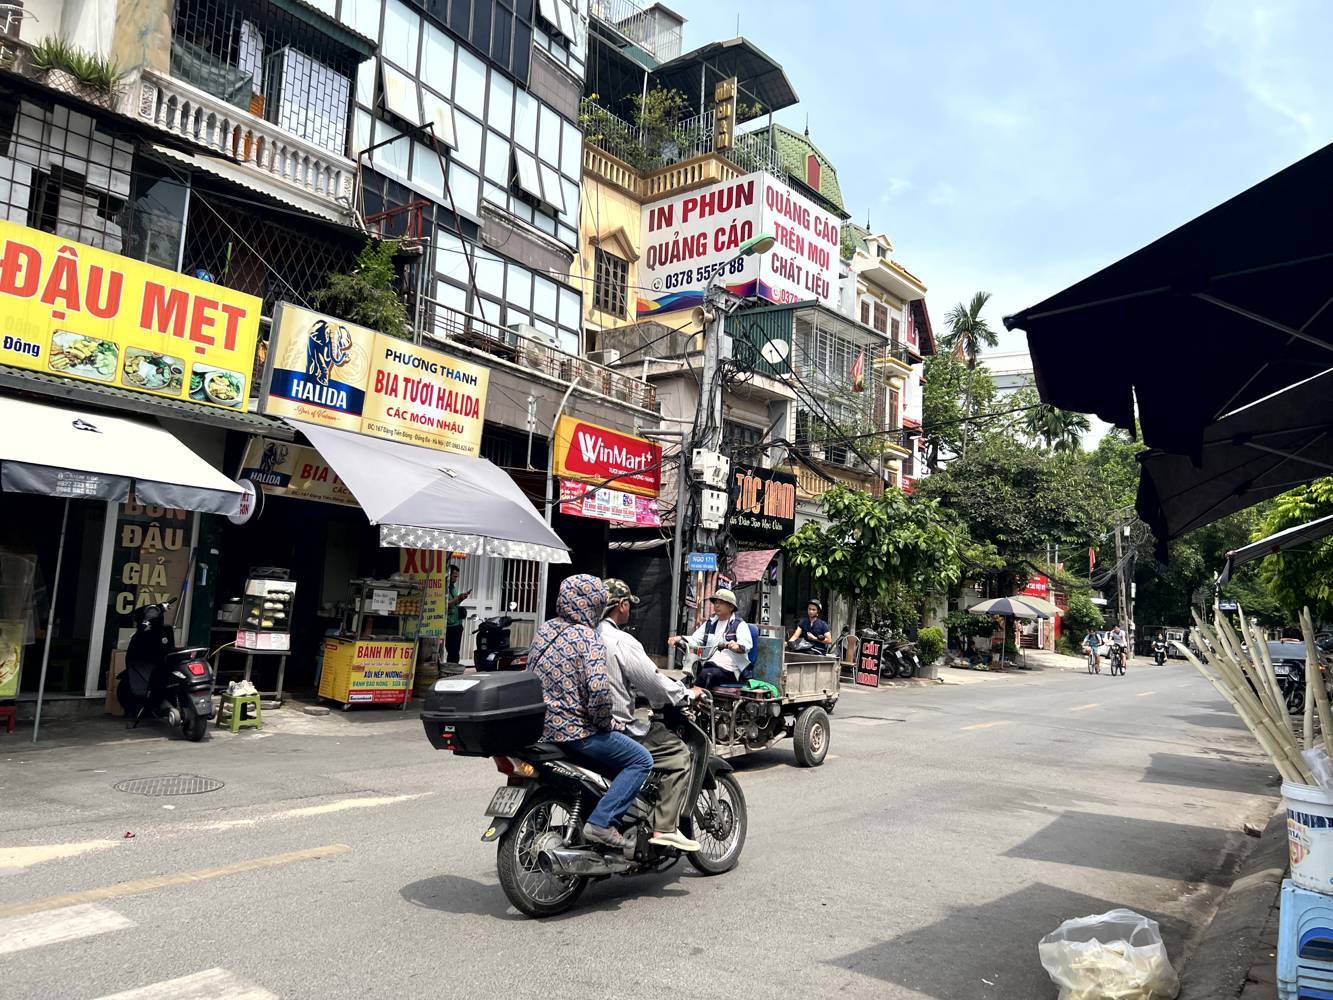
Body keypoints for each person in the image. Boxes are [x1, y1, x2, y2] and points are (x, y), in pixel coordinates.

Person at [529, 575, 652, 850]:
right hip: (576, 733)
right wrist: (607, 724)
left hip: (540, 729)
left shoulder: (545, 631)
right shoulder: (589, 639)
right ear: (595, 604)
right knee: (641, 760)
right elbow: (598, 692)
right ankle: (602, 822)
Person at [598, 579, 702, 853]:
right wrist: (685, 694)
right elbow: (653, 683)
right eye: (629, 605)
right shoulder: (621, 641)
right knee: (679, 755)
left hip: (584, 727)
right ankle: (665, 827)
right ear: (621, 605)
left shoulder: (583, 636)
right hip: (616, 728)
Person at [667, 588, 753, 688]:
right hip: (710, 665)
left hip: (732, 670)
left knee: (706, 675)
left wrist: (737, 646)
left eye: (721, 602)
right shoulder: (710, 623)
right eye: (715, 602)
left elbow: (746, 645)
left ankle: (695, 698)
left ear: (731, 606)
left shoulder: (739, 624)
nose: (716, 605)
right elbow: (695, 639)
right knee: (687, 680)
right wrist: (679, 638)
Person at [444, 565, 470, 664]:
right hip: (449, 625)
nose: (455, 579)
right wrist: (457, 599)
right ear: (448, 575)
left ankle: (453, 670)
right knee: (451, 652)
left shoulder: (453, 588)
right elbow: (444, 604)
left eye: (457, 577)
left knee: (455, 653)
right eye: (454, 576)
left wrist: (461, 598)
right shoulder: (444, 587)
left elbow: (454, 603)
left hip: (457, 624)